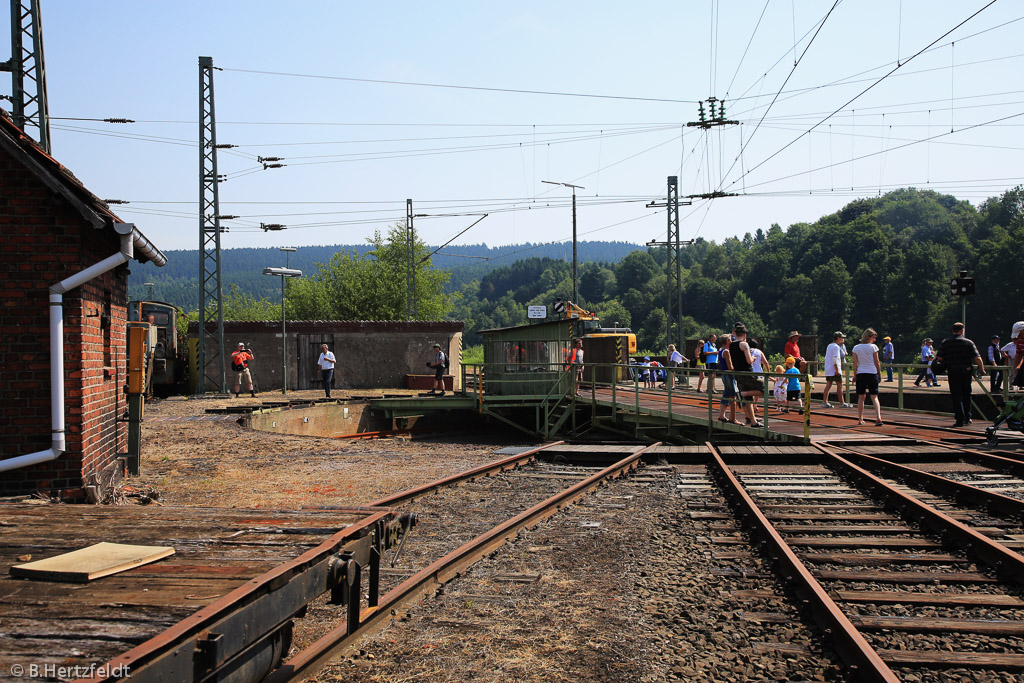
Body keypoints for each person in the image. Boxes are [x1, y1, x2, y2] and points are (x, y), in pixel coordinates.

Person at [934, 322, 985, 428]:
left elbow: (939, 358)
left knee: (956, 396)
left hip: (953, 371)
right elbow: (977, 358)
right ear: (962, 330)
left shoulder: (945, 342)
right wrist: (982, 370)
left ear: (953, 330)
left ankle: (959, 419)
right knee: (967, 394)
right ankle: (967, 417)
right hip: (966, 371)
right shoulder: (968, 342)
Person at [730, 322, 764, 428]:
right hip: (747, 373)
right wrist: (753, 358)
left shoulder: (731, 345)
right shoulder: (744, 344)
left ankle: (753, 422)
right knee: (764, 389)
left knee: (748, 399)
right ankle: (743, 394)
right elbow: (749, 361)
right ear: (744, 334)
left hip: (738, 374)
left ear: (735, 333)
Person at [852, 328, 884, 426]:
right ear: (869, 337)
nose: (874, 340)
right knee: (874, 396)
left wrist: (855, 374)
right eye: (873, 337)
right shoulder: (873, 347)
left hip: (861, 373)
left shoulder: (856, 348)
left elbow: (855, 363)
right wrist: (879, 373)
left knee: (861, 397)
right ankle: (878, 417)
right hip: (872, 373)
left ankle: (860, 419)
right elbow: (876, 361)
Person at [822, 331, 851, 408]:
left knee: (828, 385)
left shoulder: (829, 345)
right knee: (839, 385)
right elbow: (835, 358)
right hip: (834, 369)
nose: (842, 339)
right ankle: (842, 403)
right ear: (838, 338)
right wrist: (837, 370)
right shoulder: (836, 347)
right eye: (841, 338)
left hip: (829, 368)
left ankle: (825, 402)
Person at [716, 335, 738, 424]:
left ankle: (722, 415)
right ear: (728, 341)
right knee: (733, 396)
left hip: (724, 375)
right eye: (730, 339)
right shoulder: (726, 351)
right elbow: (730, 367)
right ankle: (733, 418)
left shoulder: (721, 350)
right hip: (729, 375)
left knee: (726, 395)